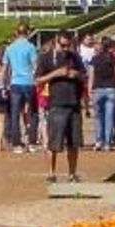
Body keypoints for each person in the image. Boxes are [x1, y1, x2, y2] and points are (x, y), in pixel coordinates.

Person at [36, 30, 87, 183]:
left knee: (74, 142)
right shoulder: (46, 58)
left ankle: (72, 173)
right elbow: (38, 80)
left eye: (68, 45)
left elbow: (85, 76)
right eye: (63, 45)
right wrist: (55, 74)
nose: (66, 49)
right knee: (54, 142)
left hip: (74, 103)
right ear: (57, 40)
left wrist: (76, 75)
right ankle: (51, 173)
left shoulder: (75, 57)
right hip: (56, 103)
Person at [4, 24, 39, 154]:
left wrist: (5, 84)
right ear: (28, 32)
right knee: (32, 113)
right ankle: (32, 142)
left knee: (15, 114)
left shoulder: (10, 48)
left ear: (16, 32)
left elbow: (6, 68)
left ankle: (17, 144)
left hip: (15, 82)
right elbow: (35, 65)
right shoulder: (31, 47)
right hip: (29, 82)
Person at [88, 37, 115, 151]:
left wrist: (89, 89)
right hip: (111, 88)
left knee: (98, 117)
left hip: (97, 88)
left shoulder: (95, 59)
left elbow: (91, 76)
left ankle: (99, 141)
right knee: (109, 117)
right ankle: (108, 143)